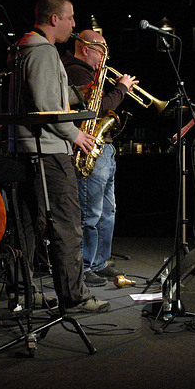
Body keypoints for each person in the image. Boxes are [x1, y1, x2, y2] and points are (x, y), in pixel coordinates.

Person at [7, 0, 109, 313]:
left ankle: (22, 292)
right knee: (67, 223)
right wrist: (74, 134)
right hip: (49, 150)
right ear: (55, 19)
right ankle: (74, 297)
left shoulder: (25, 50)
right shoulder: (43, 52)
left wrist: (80, 93)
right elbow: (45, 106)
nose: (73, 24)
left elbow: (49, 93)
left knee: (26, 224)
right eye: (70, 17)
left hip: (27, 149)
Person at [62, 30, 137, 287]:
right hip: (90, 146)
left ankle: (99, 260)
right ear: (86, 49)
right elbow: (100, 108)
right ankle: (85, 264)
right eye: (101, 50)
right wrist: (122, 89)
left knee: (107, 210)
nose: (104, 57)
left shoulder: (90, 72)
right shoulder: (76, 70)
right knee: (90, 212)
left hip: (104, 147)